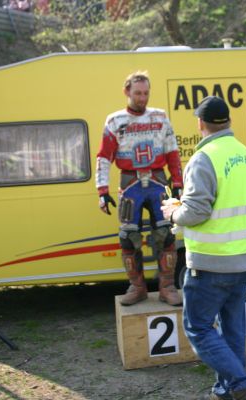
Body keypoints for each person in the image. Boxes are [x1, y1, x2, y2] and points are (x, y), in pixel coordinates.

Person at [161, 96, 246, 400]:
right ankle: (225, 390)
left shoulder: (203, 158)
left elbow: (197, 212)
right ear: (229, 121)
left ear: (200, 123)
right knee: (233, 329)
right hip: (245, 261)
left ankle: (242, 384)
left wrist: (173, 213)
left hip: (211, 264)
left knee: (198, 328)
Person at [96, 71, 183, 306]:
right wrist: (102, 191)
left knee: (166, 235)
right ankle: (137, 288)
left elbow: (172, 151)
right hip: (130, 184)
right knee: (128, 238)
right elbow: (104, 156)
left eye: (146, 93)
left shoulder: (160, 117)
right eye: (137, 93)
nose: (142, 98)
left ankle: (167, 287)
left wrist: (177, 183)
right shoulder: (114, 121)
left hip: (158, 182)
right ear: (126, 92)